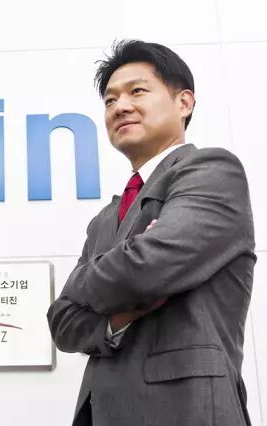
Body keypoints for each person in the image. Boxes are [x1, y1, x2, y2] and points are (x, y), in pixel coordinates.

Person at [47, 40, 256, 426]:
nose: (120, 106)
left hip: (186, 409)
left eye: (137, 91)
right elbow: (62, 321)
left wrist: (81, 282)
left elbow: (146, 268)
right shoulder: (104, 219)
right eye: (110, 100)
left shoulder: (212, 171)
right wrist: (116, 318)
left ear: (184, 102)